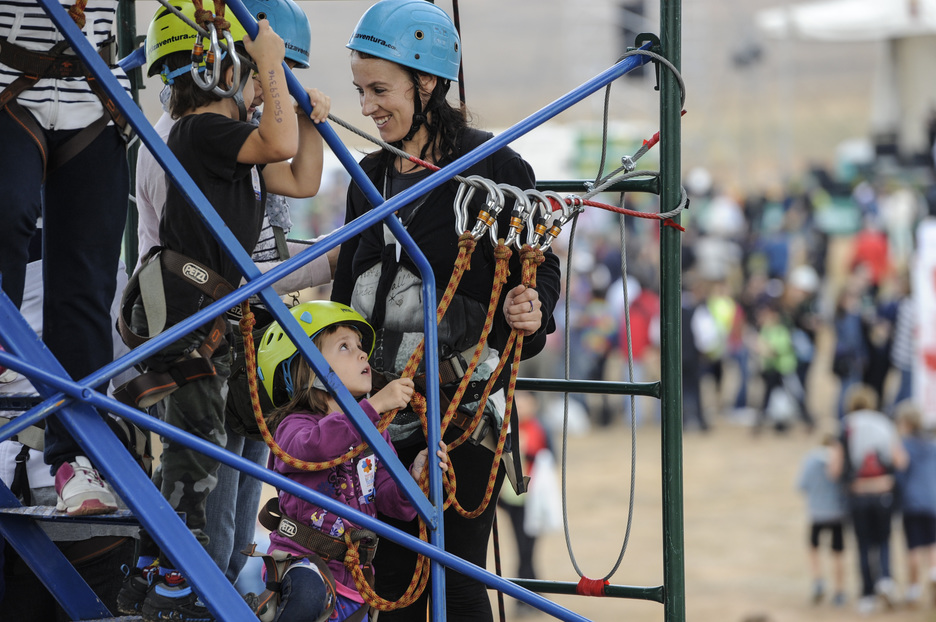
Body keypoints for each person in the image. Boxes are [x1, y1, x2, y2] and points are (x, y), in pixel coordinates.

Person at [331, 1, 561, 618]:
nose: (366, 107)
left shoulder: (494, 167)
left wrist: (532, 309)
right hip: (378, 409)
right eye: (359, 90)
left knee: (453, 578)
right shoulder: (367, 178)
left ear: (426, 83)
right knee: (391, 579)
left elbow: (542, 268)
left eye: (381, 89)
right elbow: (345, 289)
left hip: (460, 410)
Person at [118, 8, 331, 619]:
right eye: (257, 77)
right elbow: (279, 141)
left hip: (217, 315)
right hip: (193, 315)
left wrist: (309, 121)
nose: (267, 88)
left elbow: (302, 176)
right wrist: (273, 66)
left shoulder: (224, 144)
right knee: (198, 451)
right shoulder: (196, 131)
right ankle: (176, 577)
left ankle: (189, 571)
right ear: (225, 73)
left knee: (220, 444)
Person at [0, 0, 131, 517]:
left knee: (86, 282)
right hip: (9, 81)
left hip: (93, 93)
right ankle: (7, 341)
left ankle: (73, 458)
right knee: (9, 210)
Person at [251, 301, 449, 621]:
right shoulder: (293, 427)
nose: (361, 354)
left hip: (355, 578)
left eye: (360, 347)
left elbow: (389, 499)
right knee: (308, 595)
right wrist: (374, 407)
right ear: (308, 368)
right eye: (345, 347)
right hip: (305, 563)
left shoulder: (375, 434)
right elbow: (317, 448)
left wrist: (415, 478)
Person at [828, 384, 908, 616]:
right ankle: (886, 579)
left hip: (858, 494)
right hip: (883, 491)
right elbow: (900, 460)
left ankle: (867, 594)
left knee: (863, 545)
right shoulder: (884, 423)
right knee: (883, 540)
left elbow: (835, 467)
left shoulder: (845, 426)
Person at [496, 390, 556, 618]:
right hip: (513, 500)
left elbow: (548, 461)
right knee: (522, 548)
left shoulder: (540, 429)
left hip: (533, 499)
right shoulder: (508, 430)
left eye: (526, 401)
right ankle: (530, 595)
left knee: (527, 549)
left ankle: (532, 594)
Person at [796, 433, 848, 607]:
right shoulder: (841, 459)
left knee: (813, 548)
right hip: (837, 513)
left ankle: (818, 580)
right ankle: (839, 591)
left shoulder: (810, 459)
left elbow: (801, 485)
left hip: (817, 513)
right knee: (838, 552)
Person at [894, 399, 936, 608]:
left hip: (912, 501)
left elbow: (900, 470)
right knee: (932, 545)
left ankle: (913, 590)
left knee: (913, 547)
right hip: (932, 500)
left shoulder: (904, 445)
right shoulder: (932, 444)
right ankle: (934, 574)